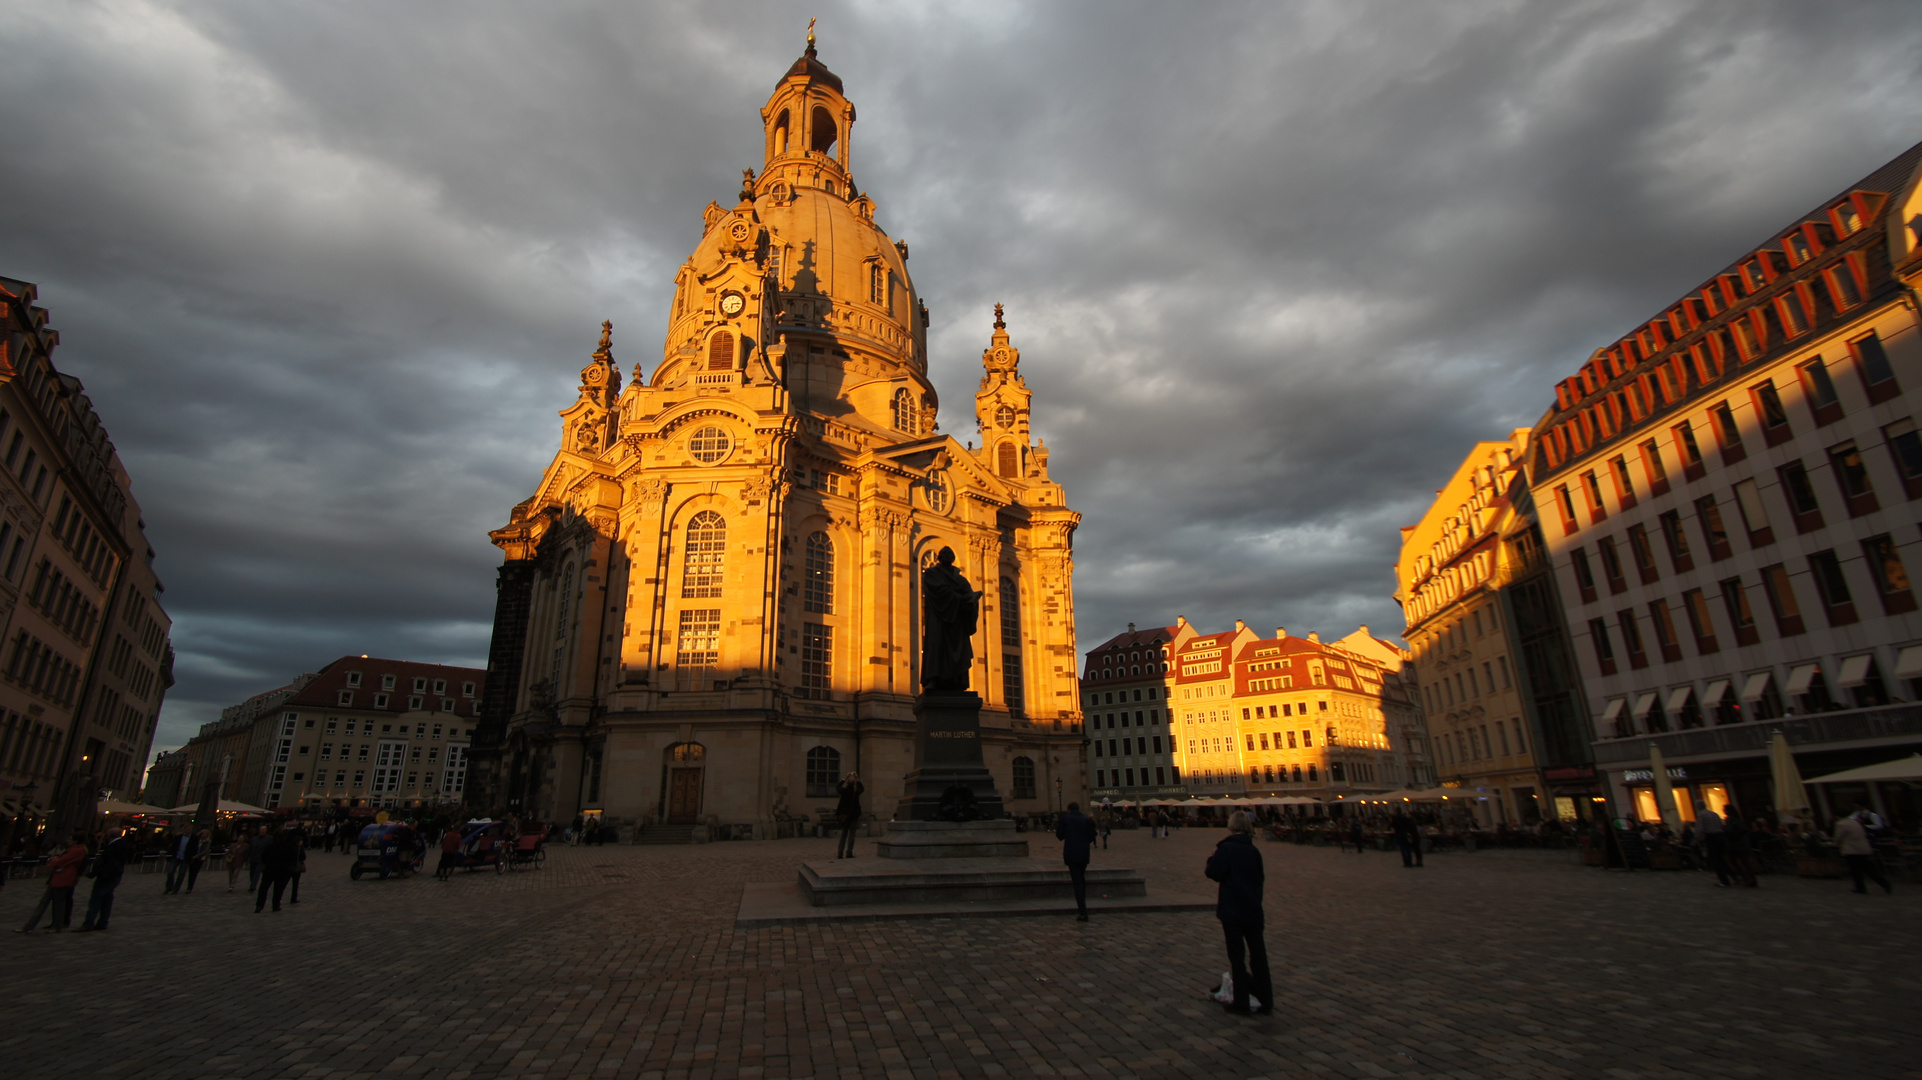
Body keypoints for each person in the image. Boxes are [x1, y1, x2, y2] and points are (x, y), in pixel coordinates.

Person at [1205, 811, 1272, 1017]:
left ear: (1232, 825)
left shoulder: (1226, 848)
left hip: (1232, 910)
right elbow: (1260, 877)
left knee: (1237, 956)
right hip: (1253, 909)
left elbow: (1212, 873)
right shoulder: (1253, 851)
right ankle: (1265, 999)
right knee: (1258, 956)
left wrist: (1212, 860)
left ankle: (1241, 1001)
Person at [17, 832, 88, 933]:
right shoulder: (75, 850)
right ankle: (33, 926)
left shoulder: (77, 851)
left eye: (69, 839)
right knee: (49, 903)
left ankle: (53, 925)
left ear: (75, 841)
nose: (67, 840)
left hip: (63, 879)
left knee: (56, 903)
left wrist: (54, 861)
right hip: (58, 878)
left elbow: (60, 861)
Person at [75, 828, 133, 932]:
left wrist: (95, 872)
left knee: (96, 899)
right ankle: (103, 922)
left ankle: (89, 923)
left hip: (107, 875)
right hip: (115, 874)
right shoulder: (123, 844)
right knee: (107, 899)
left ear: (109, 835)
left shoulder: (114, 846)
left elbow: (106, 861)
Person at [1834, 801, 1893, 895]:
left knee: (1855, 870)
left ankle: (1860, 887)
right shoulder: (1856, 822)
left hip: (1851, 850)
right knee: (1869, 869)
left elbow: (1838, 838)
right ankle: (1884, 883)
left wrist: (1836, 843)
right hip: (1863, 848)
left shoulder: (1841, 824)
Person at [1055, 801, 1097, 922]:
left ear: (1069, 809)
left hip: (1071, 854)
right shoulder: (1086, 820)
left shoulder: (1066, 819)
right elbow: (1092, 837)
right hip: (1084, 854)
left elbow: (1059, 836)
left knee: (1077, 882)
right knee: (1081, 880)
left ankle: (1083, 912)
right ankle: (1082, 908)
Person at [256, 822, 301, 912]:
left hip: (269, 869)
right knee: (278, 889)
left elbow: (263, 856)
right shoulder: (289, 847)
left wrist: (267, 864)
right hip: (283, 870)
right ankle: (276, 905)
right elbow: (294, 859)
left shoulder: (270, 846)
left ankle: (260, 905)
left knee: (264, 888)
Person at [1723, 808, 1758, 887]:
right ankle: (1752, 879)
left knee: (1733, 861)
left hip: (1735, 844)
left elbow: (1729, 831)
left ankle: (1746, 878)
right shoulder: (1738, 819)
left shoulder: (1730, 820)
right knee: (1745, 862)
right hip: (1743, 843)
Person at [834, 771, 865, 859]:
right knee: (852, 834)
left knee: (844, 834)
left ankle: (840, 853)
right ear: (854, 783)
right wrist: (858, 780)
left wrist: (845, 778)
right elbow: (862, 789)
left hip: (845, 816)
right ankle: (849, 852)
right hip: (853, 815)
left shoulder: (844, 791)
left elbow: (837, 787)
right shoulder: (856, 792)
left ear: (847, 783)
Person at [163, 827, 197, 894]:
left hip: (186, 858)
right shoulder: (179, 837)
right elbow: (174, 845)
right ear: (184, 830)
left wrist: (192, 856)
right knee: (170, 872)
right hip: (177, 856)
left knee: (181, 874)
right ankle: (169, 887)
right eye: (187, 829)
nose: (188, 830)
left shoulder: (194, 838)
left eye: (190, 829)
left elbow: (195, 848)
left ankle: (176, 889)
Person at [247, 823, 272, 892]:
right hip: (253, 858)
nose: (261, 831)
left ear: (266, 831)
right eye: (261, 830)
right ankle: (252, 883)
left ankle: (253, 886)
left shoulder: (269, 839)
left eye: (263, 830)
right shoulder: (254, 839)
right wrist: (247, 858)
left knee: (257, 872)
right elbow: (250, 849)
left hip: (261, 859)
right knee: (252, 873)